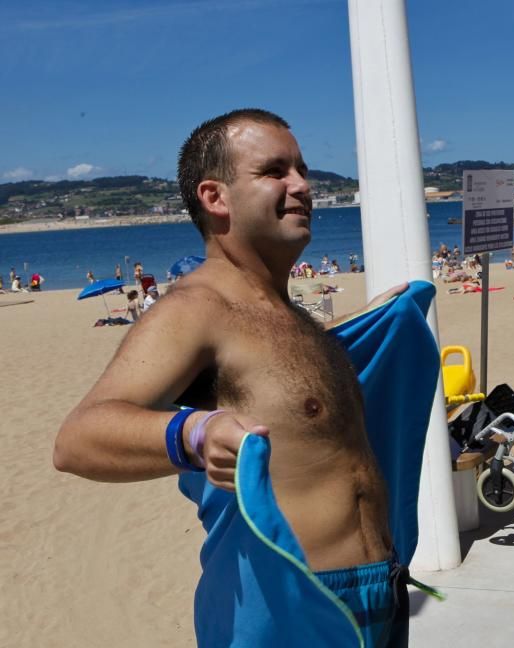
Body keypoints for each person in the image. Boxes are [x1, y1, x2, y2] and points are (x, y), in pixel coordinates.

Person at [53, 109, 409, 646]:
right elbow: (78, 439)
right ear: (215, 197)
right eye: (275, 172)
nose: (303, 186)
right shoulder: (196, 308)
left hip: (380, 589)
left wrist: (374, 327)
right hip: (290, 608)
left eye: (302, 169)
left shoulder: (288, 314)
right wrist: (195, 433)